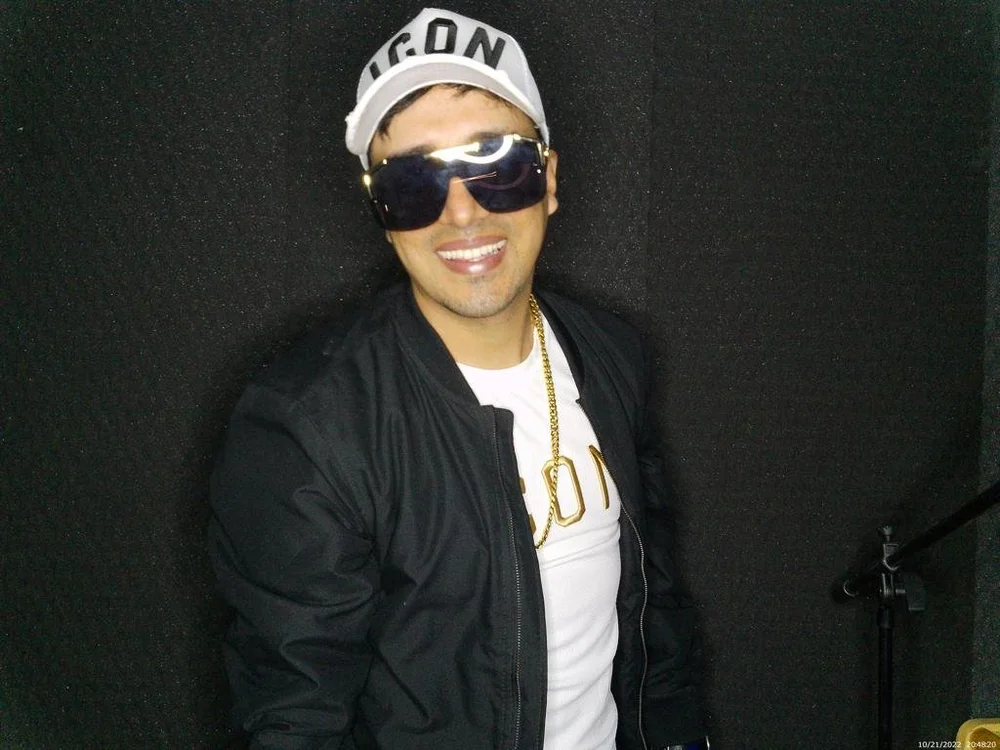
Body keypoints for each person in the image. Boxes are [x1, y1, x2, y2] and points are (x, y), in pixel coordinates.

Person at [209, 7, 708, 750]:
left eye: (498, 165)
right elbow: (294, 715)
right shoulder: (307, 428)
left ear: (549, 180)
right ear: (381, 212)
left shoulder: (611, 355)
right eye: (412, 183)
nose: (462, 212)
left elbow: (651, 607)